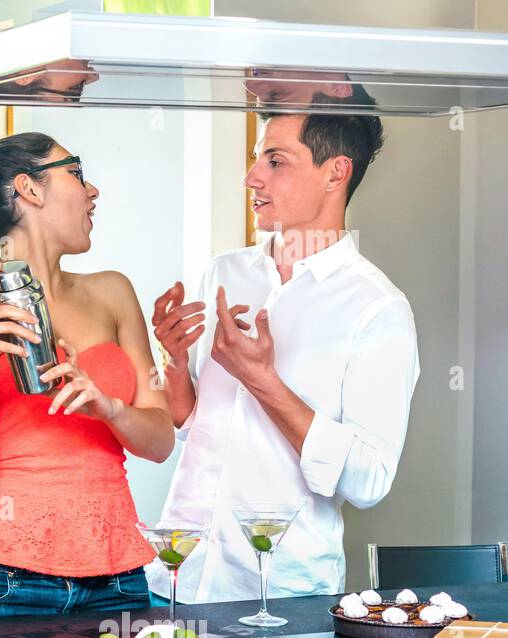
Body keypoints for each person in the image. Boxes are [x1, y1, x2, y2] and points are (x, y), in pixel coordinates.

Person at [149, 94, 418, 604]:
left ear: (335, 173)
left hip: (278, 597)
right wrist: (176, 365)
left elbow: (369, 479)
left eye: (275, 161)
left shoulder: (377, 309)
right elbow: (194, 426)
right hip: (179, 576)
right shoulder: (223, 273)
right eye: (257, 158)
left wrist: (263, 381)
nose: (252, 177)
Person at [0, 132, 174, 622]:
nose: (92, 190)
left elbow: (160, 441)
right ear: (30, 190)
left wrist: (110, 408)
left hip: (118, 580)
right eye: (76, 172)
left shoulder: (114, 292)